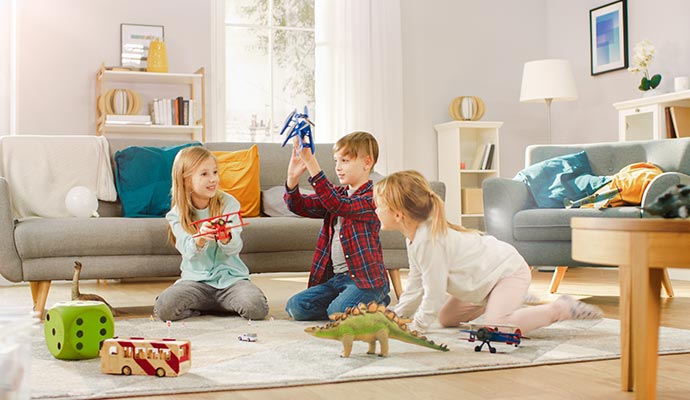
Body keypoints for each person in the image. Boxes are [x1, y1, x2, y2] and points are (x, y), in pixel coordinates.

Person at [373, 170, 603, 334]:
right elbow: (416, 284)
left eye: (379, 206)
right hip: (482, 283)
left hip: (507, 272)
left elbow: (432, 293)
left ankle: (560, 308)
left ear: (398, 214)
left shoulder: (430, 241)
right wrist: (397, 316)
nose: (375, 210)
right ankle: (506, 298)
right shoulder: (413, 238)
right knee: (445, 318)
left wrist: (417, 327)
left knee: (499, 327)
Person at [154, 146, 269, 321]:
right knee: (164, 308)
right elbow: (187, 251)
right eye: (204, 174)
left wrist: (226, 238)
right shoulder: (176, 214)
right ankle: (215, 308)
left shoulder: (229, 204)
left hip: (231, 281)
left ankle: (219, 305)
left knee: (256, 308)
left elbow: (234, 248)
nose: (213, 179)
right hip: (195, 283)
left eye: (215, 172)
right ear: (186, 180)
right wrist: (198, 240)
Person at [284, 131, 390, 321]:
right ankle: (360, 304)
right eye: (336, 161)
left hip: (365, 280)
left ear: (367, 163)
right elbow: (299, 206)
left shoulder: (372, 198)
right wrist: (292, 179)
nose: (338, 167)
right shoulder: (338, 194)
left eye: (345, 161)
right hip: (337, 280)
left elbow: (338, 205)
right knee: (296, 307)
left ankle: (375, 299)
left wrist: (311, 162)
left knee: (337, 312)